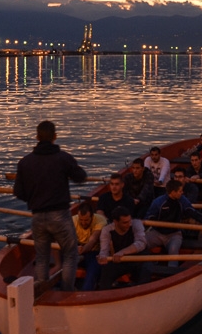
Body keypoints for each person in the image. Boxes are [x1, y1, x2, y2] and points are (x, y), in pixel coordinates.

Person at [13, 120, 87, 292]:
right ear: (55, 137)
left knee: (42, 256)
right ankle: (68, 291)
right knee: (70, 254)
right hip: (59, 214)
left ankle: (42, 289)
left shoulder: (25, 162)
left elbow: (18, 192)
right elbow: (80, 177)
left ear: (37, 137)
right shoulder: (63, 158)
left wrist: (34, 199)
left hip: (38, 216)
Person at [144, 178, 202, 265]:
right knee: (141, 244)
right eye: (180, 191)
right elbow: (148, 218)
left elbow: (193, 212)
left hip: (174, 234)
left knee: (173, 251)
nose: (182, 192)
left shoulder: (182, 200)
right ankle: (145, 265)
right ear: (173, 192)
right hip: (157, 233)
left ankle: (171, 272)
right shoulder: (158, 202)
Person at [98, 206, 149, 288]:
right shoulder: (107, 230)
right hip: (121, 260)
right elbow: (104, 250)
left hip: (140, 258)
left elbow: (141, 243)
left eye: (129, 221)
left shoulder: (136, 223)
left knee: (145, 271)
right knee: (106, 271)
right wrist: (102, 257)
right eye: (125, 222)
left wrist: (122, 252)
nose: (129, 224)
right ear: (115, 222)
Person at [72, 201, 107, 291]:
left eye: (86, 220)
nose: (83, 223)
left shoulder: (100, 220)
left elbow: (93, 240)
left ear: (92, 216)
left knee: (93, 270)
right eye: (81, 220)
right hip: (75, 250)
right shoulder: (72, 220)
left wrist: (82, 250)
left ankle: (86, 292)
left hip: (93, 252)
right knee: (65, 264)